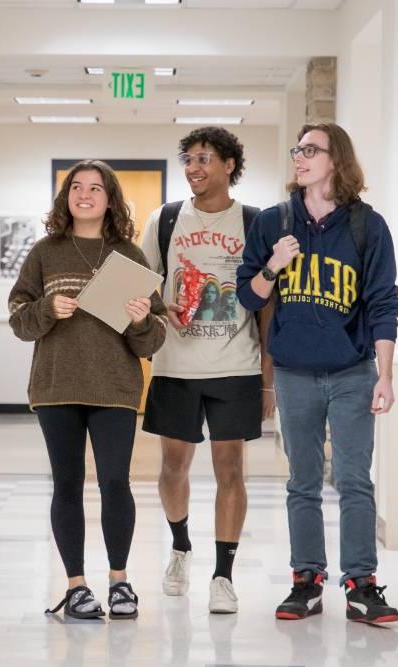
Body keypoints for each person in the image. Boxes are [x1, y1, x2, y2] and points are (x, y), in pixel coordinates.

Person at [236, 123, 398, 624]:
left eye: (311, 150)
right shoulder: (272, 223)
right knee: (302, 481)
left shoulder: (367, 227)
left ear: (337, 160)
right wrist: (273, 266)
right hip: (294, 373)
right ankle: (306, 580)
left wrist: (386, 374)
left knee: (355, 480)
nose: (300, 157)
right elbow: (247, 296)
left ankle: (361, 584)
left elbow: (383, 303)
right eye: (297, 149)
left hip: (354, 371)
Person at [8, 160, 167, 621]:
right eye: (76, 186)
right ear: (66, 197)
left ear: (110, 199)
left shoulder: (130, 256)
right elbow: (19, 316)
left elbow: (153, 336)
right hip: (56, 386)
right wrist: (45, 308)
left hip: (115, 387)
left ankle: (120, 581)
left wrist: (140, 319)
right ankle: (76, 585)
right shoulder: (44, 252)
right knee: (67, 484)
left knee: (116, 482)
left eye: (95, 188)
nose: (84, 194)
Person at [139, 126, 274, 614]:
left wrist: (267, 377)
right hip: (175, 364)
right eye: (189, 161)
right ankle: (180, 547)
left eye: (204, 160)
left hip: (235, 365)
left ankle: (224, 574)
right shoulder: (166, 219)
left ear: (229, 166)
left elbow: (266, 306)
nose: (195, 169)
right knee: (173, 467)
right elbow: (140, 283)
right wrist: (160, 304)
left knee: (230, 468)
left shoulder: (255, 221)